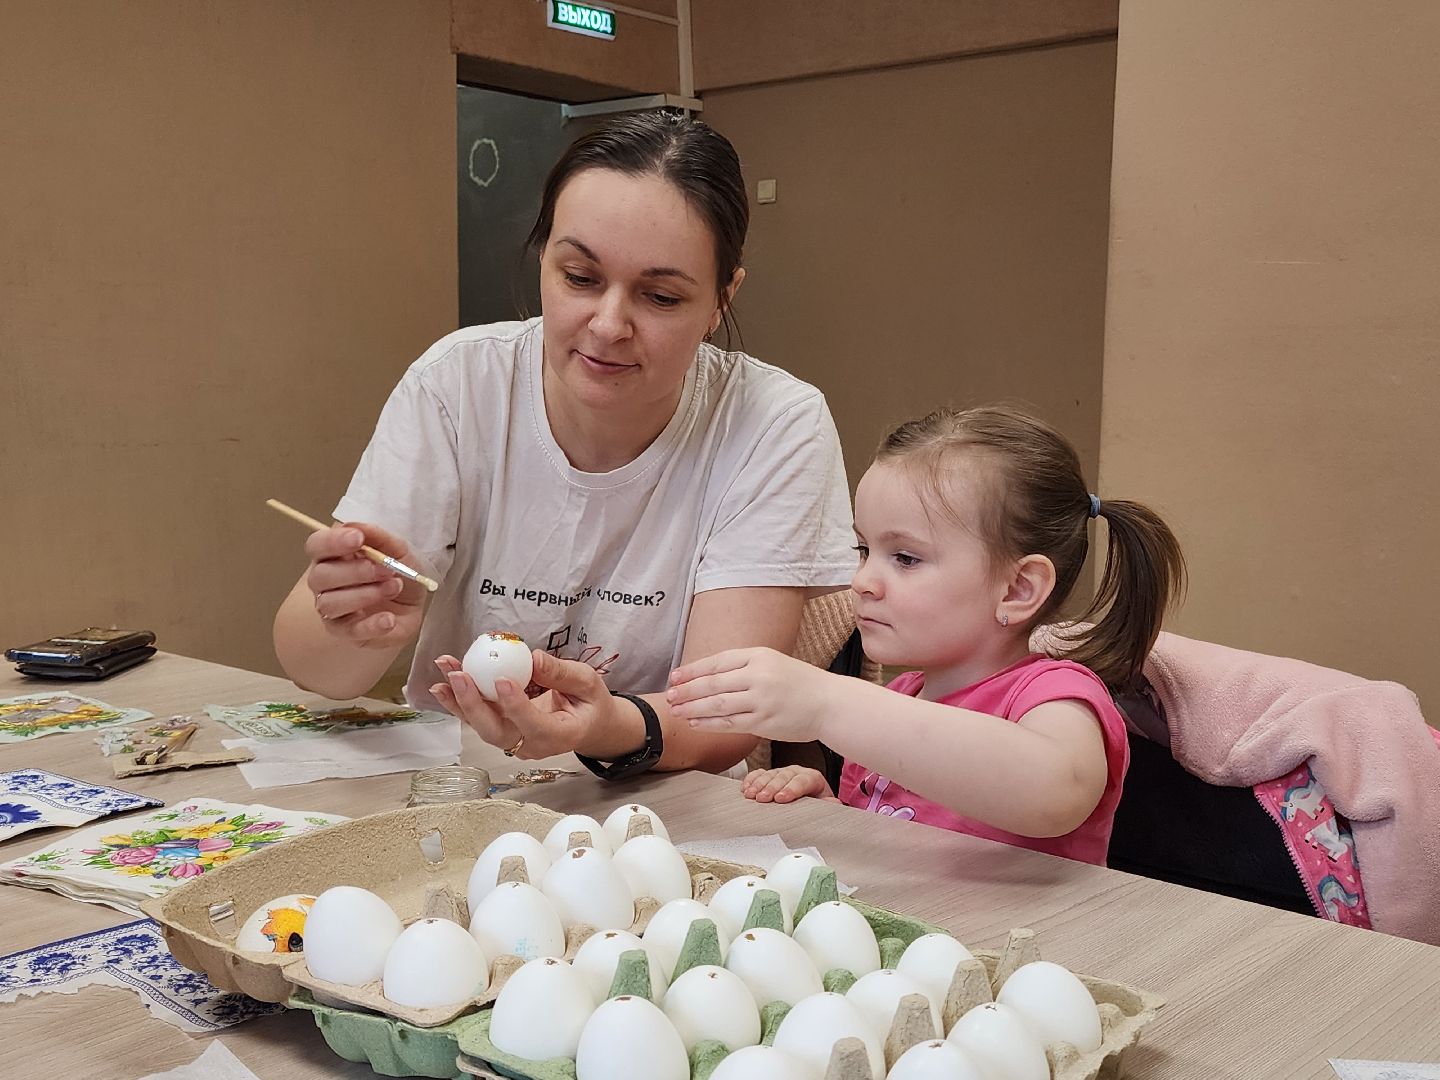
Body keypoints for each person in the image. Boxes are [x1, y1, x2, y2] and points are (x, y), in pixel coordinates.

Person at [273, 110, 856, 777]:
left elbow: (722, 720)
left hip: (660, 796)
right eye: (580, 278)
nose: (608, 325)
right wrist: (355, 627)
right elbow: (316, 672)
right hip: (460, 781)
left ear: (724, 297)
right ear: (544, 258)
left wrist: (606, 727)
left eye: (660, 296)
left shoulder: (773, 422)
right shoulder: (459, 383)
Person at [666, 406, 1186, 864]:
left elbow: (1056, 790)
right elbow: (913, 847)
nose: (862, 581)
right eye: (863, 550)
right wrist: (836, 814)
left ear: (1018, 589)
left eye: (906, 558)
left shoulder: (1054, 697)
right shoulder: (899, 699)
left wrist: (828, 702)